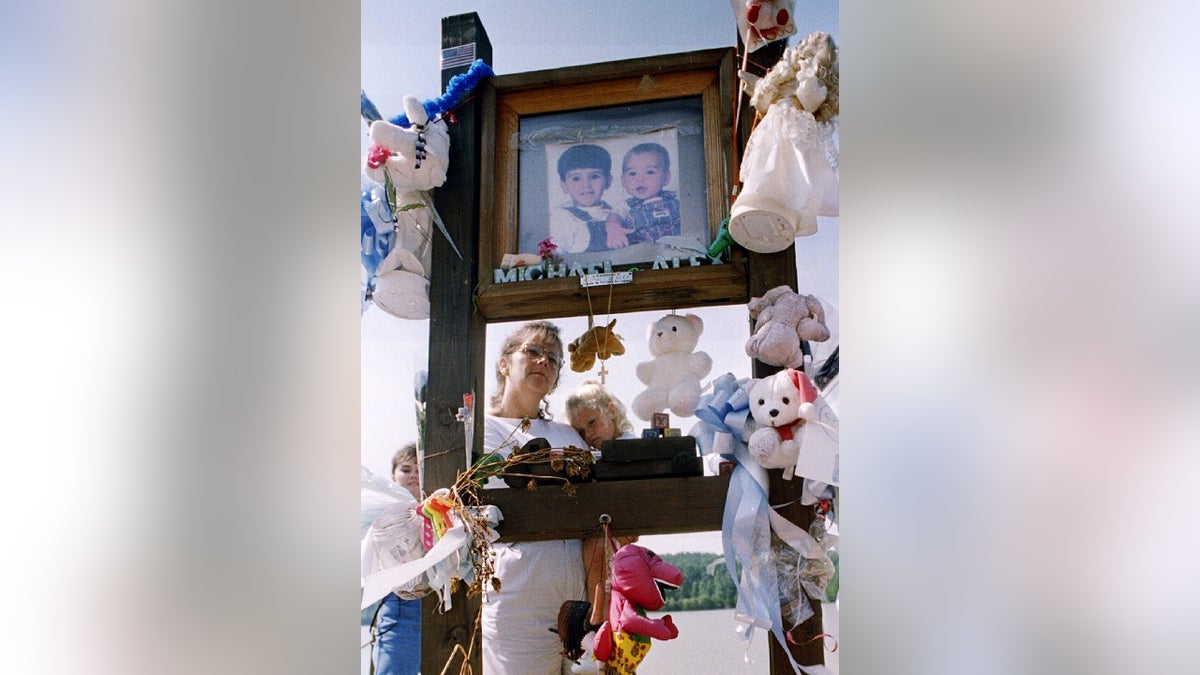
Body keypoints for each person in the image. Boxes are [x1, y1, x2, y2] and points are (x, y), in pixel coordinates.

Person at [483, 321, 590, 674]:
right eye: (532, 351)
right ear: (504, 363)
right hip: (516, 603)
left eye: (554, 359)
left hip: (580, 609)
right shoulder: (480, 432)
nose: (543, 361)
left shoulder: (568, 433)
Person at [564, 380, 640, 634]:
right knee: (594, 552)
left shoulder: (628, 446)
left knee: (598, 550)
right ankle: (603, 623)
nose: (588, 434)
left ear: (611, 411)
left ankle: (603, 622)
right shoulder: (590, 456)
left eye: (592, 423)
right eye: (580, 431)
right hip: (604, 529)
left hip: (619, 527)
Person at [372, 444, 424, 675]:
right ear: (393, 475)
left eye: (419, 469)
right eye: (405, 469)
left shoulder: (448, 508)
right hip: (400, 609)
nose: (413, 474)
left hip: (444, 610)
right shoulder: (377, 512)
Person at [548, 144, 626, 254]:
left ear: (608, 181)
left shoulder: (617, 213)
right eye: (576, 178)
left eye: (594, 176)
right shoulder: (562, 217)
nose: (586, 185)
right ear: (564, 185)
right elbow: (554, 258)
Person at [607, 142, 681, 248]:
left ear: (666, 178)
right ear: (623, 180)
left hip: (677, 250)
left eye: (650, 172)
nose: (640, 179)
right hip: (642, 254)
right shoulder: (626, 206)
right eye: (632, 173)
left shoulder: (676, 198)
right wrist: (614, 229)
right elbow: (613, 217)